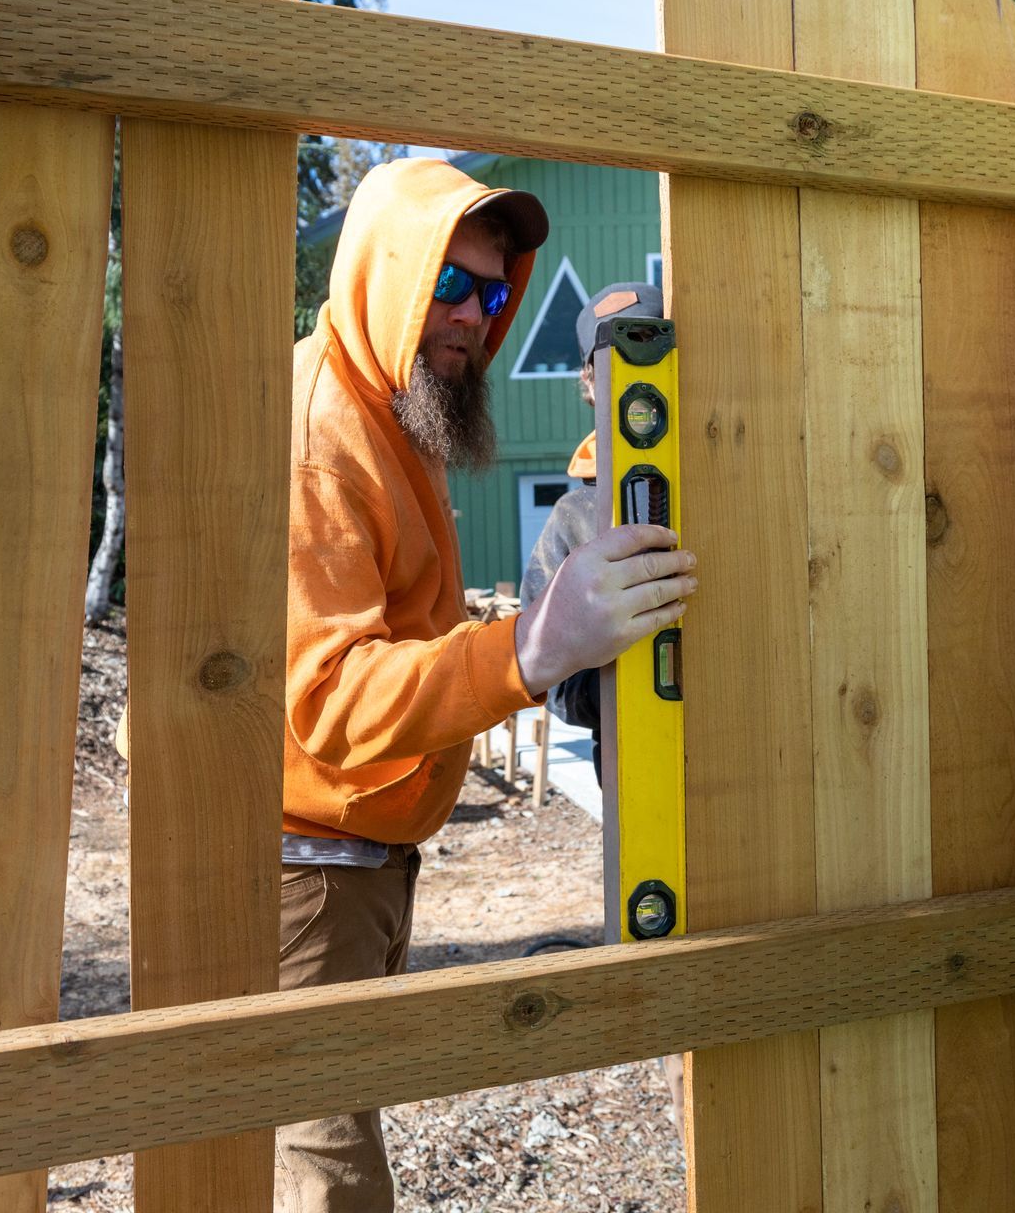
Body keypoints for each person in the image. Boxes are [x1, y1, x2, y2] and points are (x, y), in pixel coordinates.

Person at [274, 161, 698, 1212]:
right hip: (299, 871)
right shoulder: (325, 436)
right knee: (325, 1181)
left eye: (497, 291)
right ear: (385, 274)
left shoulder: (389, 419)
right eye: (449, 285)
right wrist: (528, 649)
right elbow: (325, 697)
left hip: (354, 863)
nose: (474, 314)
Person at [518, 279, 688, 1130]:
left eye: (650, 340)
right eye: (611, 354)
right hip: (634, 750)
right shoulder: (576, 516)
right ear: (589, 381)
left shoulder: (712, 469)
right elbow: (552, 677)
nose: (630, 367)